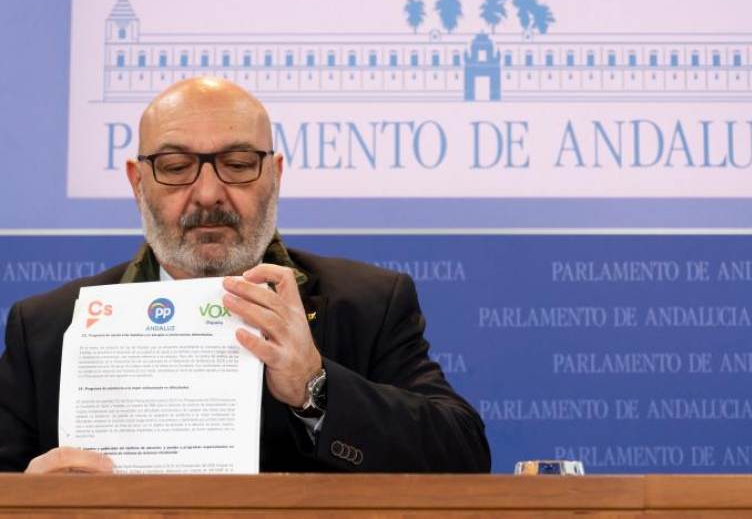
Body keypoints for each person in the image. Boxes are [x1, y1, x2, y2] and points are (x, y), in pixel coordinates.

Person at [0, 77, 490, 473]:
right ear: (137, 181)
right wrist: (30, 498)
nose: (209, 192)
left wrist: (313, 385)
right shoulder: (48, 328)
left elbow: (462, 456)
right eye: (175, 166)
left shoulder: (367, 305)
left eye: (237, 165)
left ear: (275, 176)